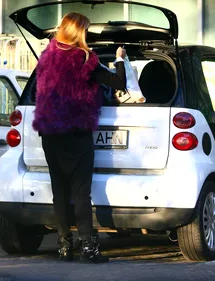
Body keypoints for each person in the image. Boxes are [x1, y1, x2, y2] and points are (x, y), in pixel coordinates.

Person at [33, 12, 127, 263]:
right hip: (77, 135)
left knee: (59, 193)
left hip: (51, 134)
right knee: (81, 193)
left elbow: (36, 92)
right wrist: (119, 60)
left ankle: (64, 247)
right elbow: (119, 82)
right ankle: (89, 247)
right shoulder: (86, 58)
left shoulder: (46, 57)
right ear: (80, 32)